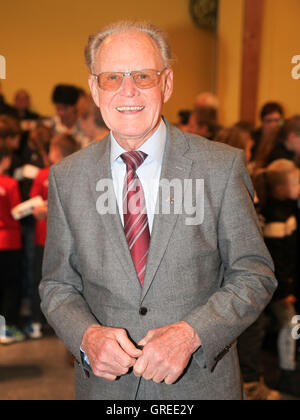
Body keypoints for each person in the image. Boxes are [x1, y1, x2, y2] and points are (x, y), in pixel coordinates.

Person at [40, 20, 277, 401]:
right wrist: (86, 336)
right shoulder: (67, 177)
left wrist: (191, 333)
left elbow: (254, 273)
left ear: (166, 83)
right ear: (94, 89)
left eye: (143, 76)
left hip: (200, 386)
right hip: (105, 392)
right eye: (112, 77)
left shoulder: (220, 167)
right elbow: (57, 286)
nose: (127, 90)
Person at [26, 134, 80, 339]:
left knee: (49, 281)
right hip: (49, 238)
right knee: (54, 281)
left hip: (54, 240)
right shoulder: (49, 175)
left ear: (55, 152)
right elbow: (34, 205)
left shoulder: (69, 172)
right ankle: (44, 322)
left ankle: (47, 323)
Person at [254, 159, 300, 398]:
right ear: (281, 189)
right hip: (279, 289)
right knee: (291, 326)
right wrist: (285, 290)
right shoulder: (275, 219)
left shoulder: (289, 209)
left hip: (287, 284)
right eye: (297, 183)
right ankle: (288, 372)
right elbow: (277, 260)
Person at [0, 141, 25, 344]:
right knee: (10, 286)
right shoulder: (9, 183)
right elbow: (16, 211)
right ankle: (6, 328)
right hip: (9, 241)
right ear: (6, 160)